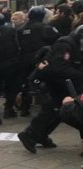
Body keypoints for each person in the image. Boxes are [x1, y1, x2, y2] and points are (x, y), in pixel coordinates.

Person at [18, 25, 83, 153]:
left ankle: (40, 135)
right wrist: (79, 74)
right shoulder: (65, 45)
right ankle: (29, 135)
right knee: (51, 109)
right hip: (48, 82)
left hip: (60, 83)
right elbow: (59, 68)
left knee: (59, 111)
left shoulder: (74, 47)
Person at [17, 6, 60, 117]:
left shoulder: (21, 29)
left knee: (26, 83)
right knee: (43, 83)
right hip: (41, 60)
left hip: (25, 59)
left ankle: (24, 108)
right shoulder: (45, 28)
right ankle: (46, 108)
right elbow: (57, 39)